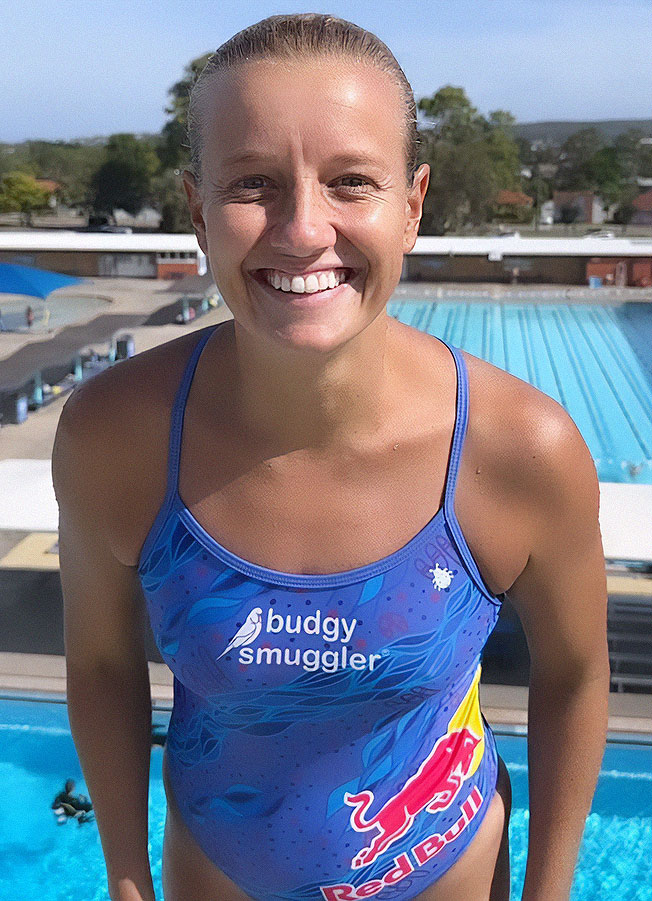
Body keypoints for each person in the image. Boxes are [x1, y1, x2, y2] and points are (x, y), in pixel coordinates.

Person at [52, 15, 609, 901]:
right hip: (215, 876)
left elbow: (577, 673)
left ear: (414, 204)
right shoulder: (115, 436)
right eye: (254, 185)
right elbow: (102, 665)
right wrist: (126, 875)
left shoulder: (517, 449)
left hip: (444, 875)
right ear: (199, 209)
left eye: (352, 181)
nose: (305, 229)